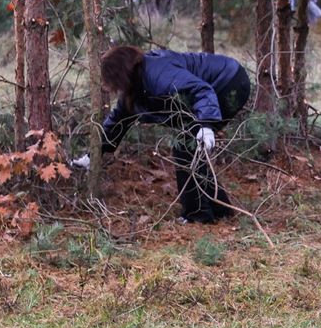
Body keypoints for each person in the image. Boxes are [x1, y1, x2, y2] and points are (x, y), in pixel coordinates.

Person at [72, 46, 251, 223]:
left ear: (120, 73)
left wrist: (206, 124)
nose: (108, 87)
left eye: (110, 80)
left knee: (185, 148)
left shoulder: (158, 74)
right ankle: (220, 210)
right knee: (188, 146)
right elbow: (117, 121)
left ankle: (198, 216)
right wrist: (93, 154)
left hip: (230, 82)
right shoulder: (135, 87)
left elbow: (201, 90)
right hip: (215, 89)